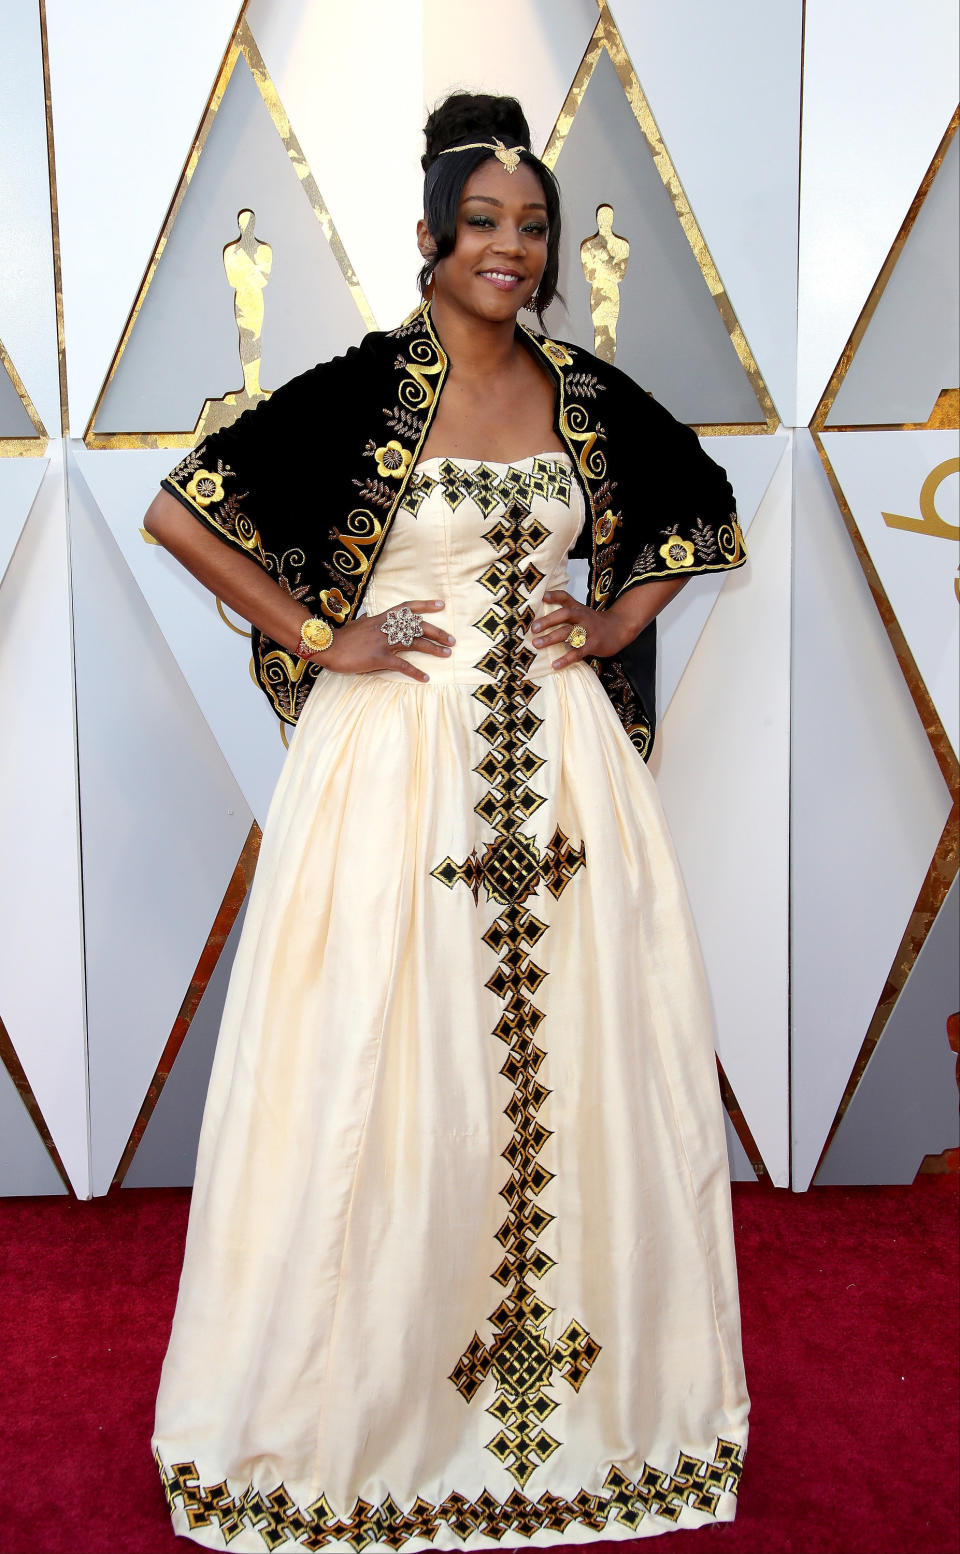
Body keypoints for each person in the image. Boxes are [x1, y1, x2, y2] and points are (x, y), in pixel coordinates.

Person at [146, 92, 750, 1551]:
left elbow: (703, 509)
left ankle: (594, 1429)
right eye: (483, 224)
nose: (513, 249)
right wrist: (319, 629)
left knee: (586, 1066)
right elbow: (182, 513)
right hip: (393, 778)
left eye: (530, 228)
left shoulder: (586, 398)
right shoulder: (364, 391)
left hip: (565, 785)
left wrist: (613, 619)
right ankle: (363, 1415)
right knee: (380, 1062)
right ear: (427, 238)